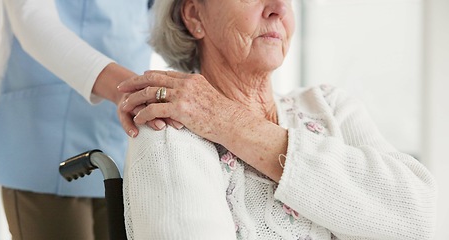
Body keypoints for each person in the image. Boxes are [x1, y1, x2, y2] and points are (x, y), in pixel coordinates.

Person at [117, 0, 438, 239]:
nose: (279, 8)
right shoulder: (171, 127)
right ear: (194, 16)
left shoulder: (330, 106)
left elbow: (419, 216)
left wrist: (230, 121)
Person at [0, 0, 157, 239]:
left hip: (124, 136)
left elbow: (171, 19)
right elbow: (32, 18)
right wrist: (124, 88)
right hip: (46, 134)